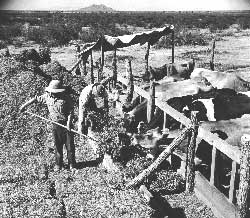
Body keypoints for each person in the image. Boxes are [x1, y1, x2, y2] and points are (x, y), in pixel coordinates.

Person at [19, 80, 76, 172]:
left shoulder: (66, 98)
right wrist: (23, 106)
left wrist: (69, 123)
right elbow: (35, 99)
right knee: (57, 146)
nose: (52, 94)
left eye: (54, 92)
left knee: (69, 146)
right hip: (55, 125)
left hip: (66, 125)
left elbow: (70, 111)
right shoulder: (47, 97)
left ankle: (72, 165)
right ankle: (59, 165)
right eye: (51, 92)